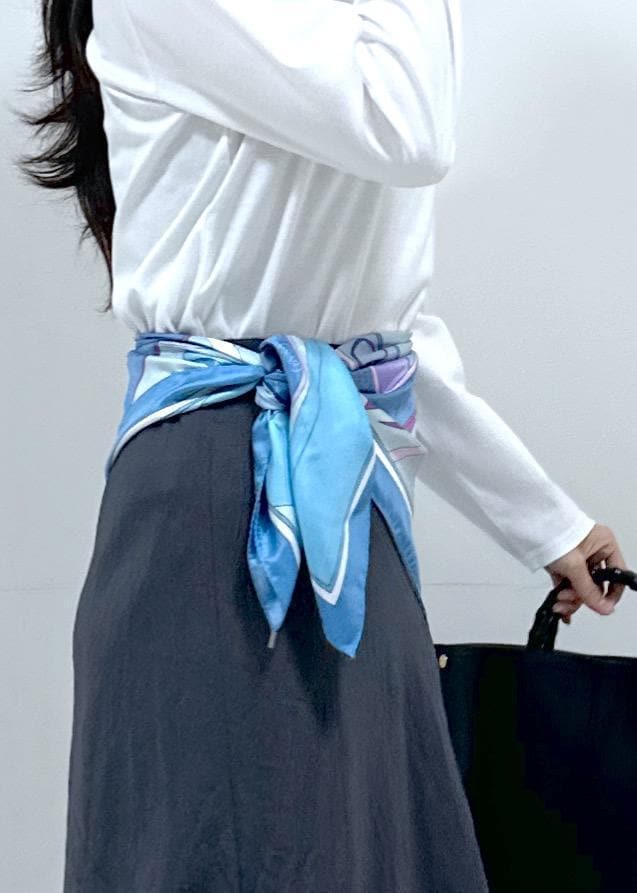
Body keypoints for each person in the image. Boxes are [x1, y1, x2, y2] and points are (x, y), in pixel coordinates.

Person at [17, 0, 627, 890]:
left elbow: (378, 339)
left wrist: (544, 522)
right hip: (220, 496)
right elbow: (407, 127)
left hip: (346, 494)